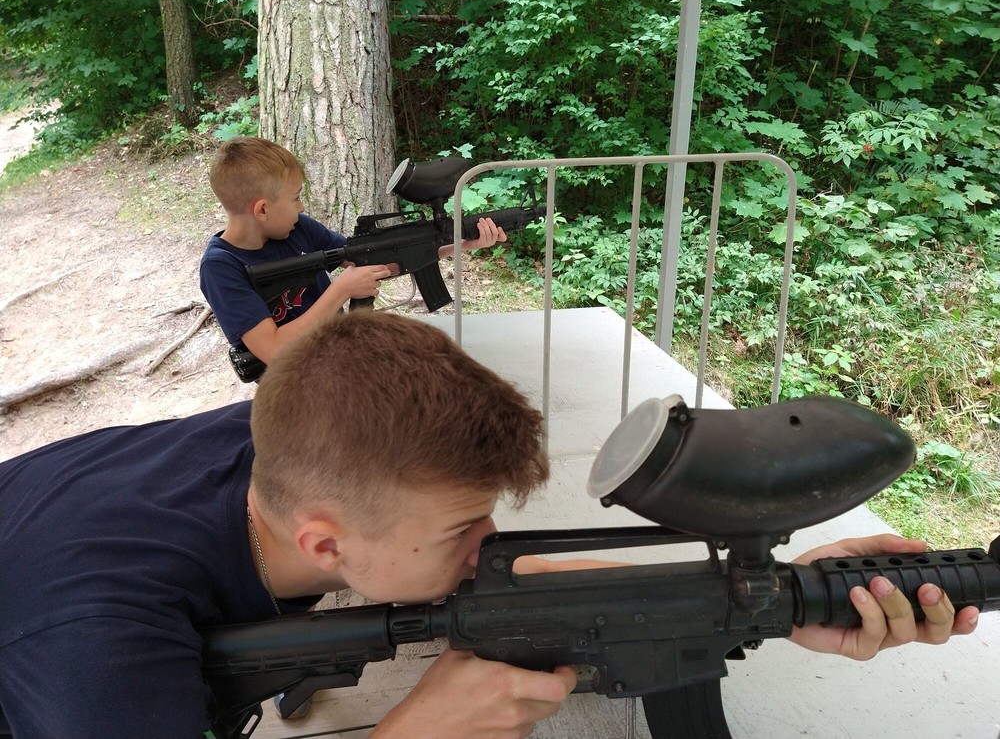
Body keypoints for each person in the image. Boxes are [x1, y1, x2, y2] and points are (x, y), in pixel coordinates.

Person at [0, 314, 981, 739]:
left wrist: (772, 600)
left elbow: (459, 576)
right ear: (324, 546)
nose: (491, 550)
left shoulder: (302, 439)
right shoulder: (100, 653)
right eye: (463, 531)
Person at [199, 136, 506, 368]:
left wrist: (461, 244)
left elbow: (374, 261)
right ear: (262, 210)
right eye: (295, 198)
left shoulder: (299, 228)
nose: (301, 207)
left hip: (339, 352)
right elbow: (273, 350)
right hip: (293, 382)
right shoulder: (221, 267)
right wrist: (342, 290)